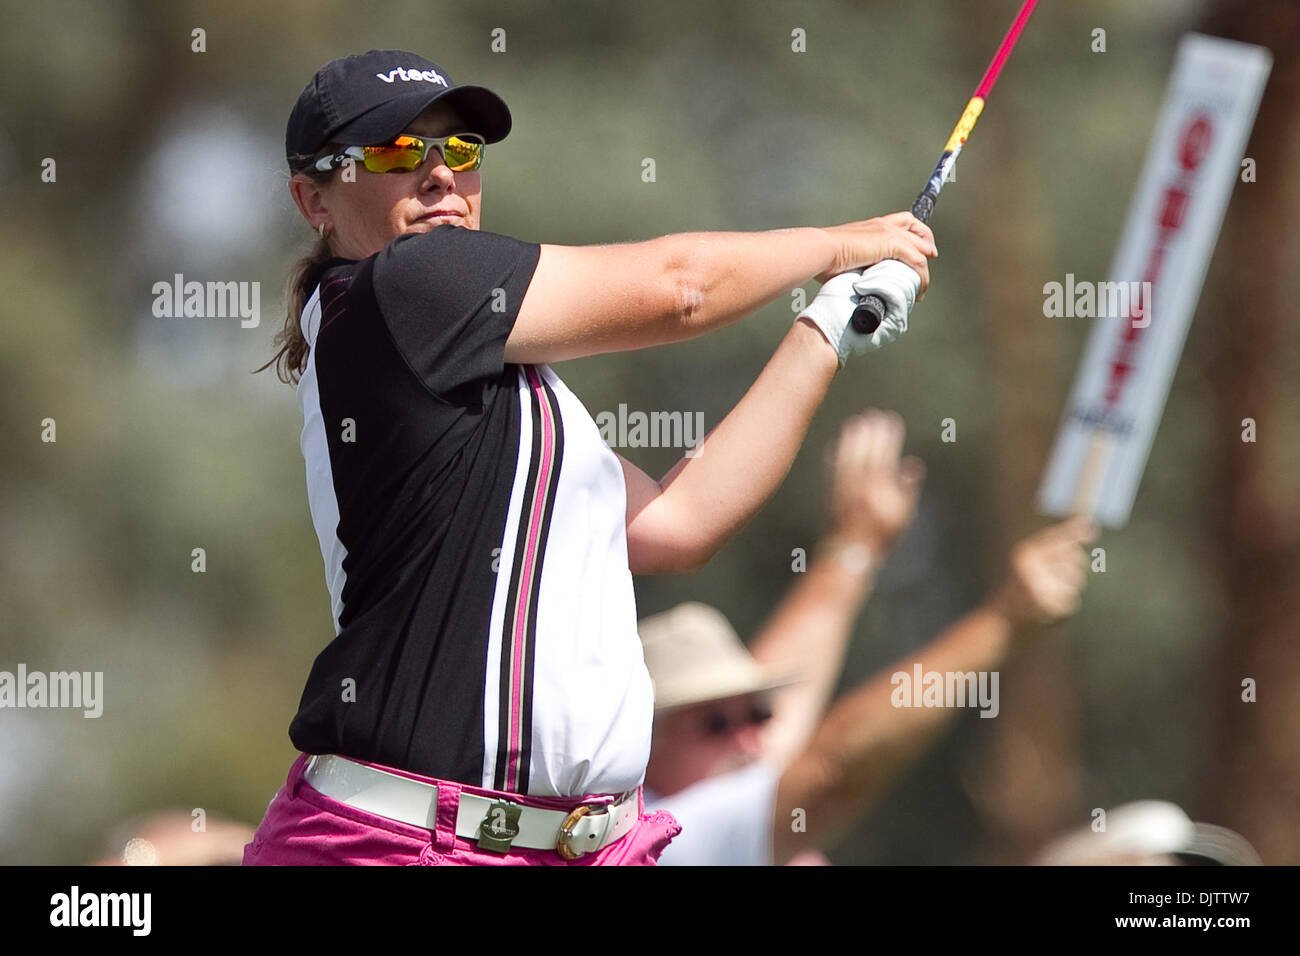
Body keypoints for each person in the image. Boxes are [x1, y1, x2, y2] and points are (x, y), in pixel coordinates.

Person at [244, 50, 937, 866]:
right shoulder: (402, 289)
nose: (439, 176)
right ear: (312, 197)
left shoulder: (515, 389)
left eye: (459, 150)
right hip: (406, 846)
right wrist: (841, 243)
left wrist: (826, 324)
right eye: (398, 153)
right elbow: (683, 287)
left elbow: (680, 523)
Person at [640, 412, 1097, 865]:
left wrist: (855, 545)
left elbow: (794, 712)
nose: (751, 740)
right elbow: (830, 770)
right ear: (643, 746)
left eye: (757, 715)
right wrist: (1003, 621)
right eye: (715, 724)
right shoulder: (668, 839)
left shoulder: (712, 798)